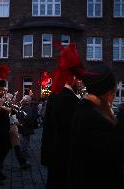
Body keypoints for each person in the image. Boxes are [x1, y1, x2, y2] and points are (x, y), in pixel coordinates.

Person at [69, 64, 124, 189]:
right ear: (107, 91)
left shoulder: (90, 108)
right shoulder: (93, 117)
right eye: (114, 91)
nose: (115, 95)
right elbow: (116, 155)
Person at [40, 43, 88, 189]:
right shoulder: (72, 100)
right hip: (66, 156)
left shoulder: (55, 96)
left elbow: (47, 127)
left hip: (54, 152)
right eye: (78, 79)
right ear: (73, 78)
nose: (80, 82)